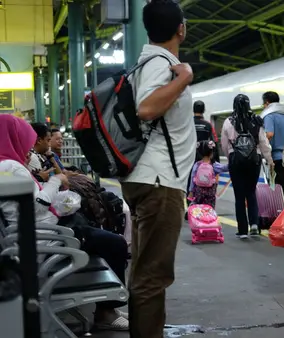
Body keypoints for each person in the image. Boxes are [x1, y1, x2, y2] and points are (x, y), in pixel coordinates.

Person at [0, 114, 129, 331]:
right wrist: (55, 181)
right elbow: (34, 206)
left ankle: (108, 309)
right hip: (45, 238)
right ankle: (106, 312)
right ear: (13, 137)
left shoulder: (5, 165)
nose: (28, 149)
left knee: (101, 237)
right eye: (24, 140)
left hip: (39, 235)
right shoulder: (11, 167)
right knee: (115, 243)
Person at [119, 1, 196, 337]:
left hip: (150, 178)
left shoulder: (150, 61)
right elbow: (147, 108)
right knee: (153, 274)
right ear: (181, 28)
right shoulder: (161, 63)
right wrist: (186, 77)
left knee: (147, 270)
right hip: (158, 181)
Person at [221, 94, 273, 239]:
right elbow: (263, 143)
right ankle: (255, 224)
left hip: (236, 161)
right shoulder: (256, 120)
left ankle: (242, 229)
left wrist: (231, 156)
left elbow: (224, 145)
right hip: (253, 161)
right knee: (251, 193)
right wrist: (269, 159)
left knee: (239, 195)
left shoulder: (228, 122)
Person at [261, 91, 284, 192]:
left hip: (277, 158)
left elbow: (269, 134)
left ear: (266, 103)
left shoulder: (269, 114)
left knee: (278, 189)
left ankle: (282, 208)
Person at [188, 140, 228, 208]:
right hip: (210, 194)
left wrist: (191, 192)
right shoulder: (214, 165)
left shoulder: (197, 165)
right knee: (209, 210)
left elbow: (192, 179)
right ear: (211, 153)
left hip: (199, 193)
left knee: (198, 209)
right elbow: (225, 168)